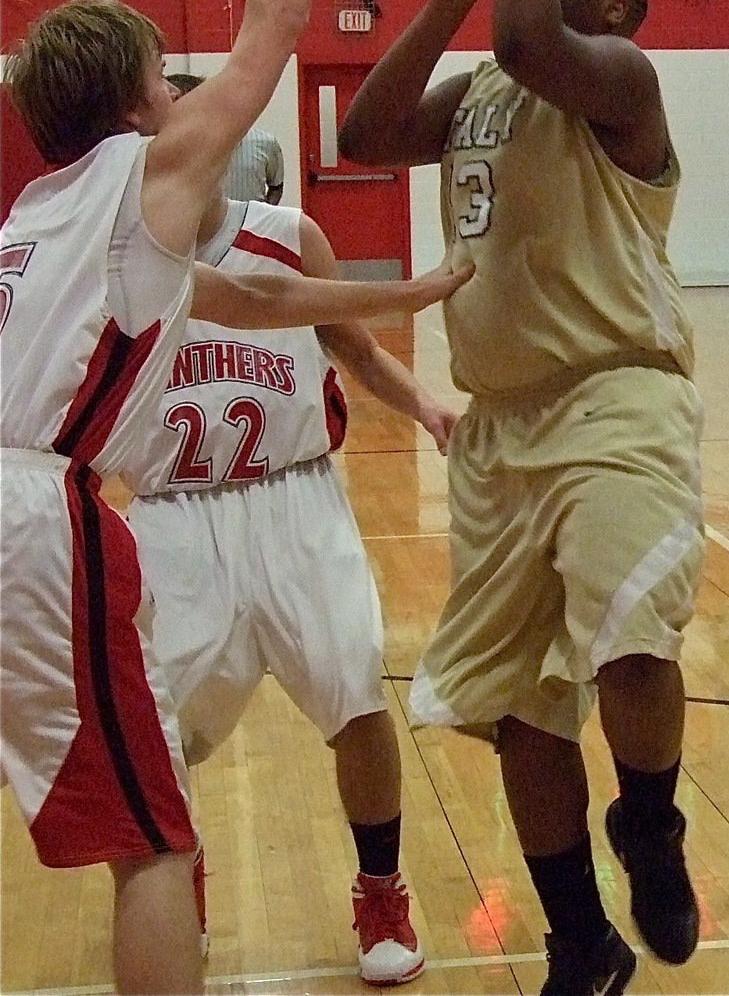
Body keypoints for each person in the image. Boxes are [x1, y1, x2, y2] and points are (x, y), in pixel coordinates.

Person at [0, 0, 469, 993]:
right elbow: (274, 17)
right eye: (167, 74)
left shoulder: (38, 217)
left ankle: (369, 888)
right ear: (134, 101)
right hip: (70, 516)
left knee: (153, 795)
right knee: (153, 831)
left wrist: (407, 291)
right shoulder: (138, 176)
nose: (184, 88)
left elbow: (251, 303)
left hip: (209, 502)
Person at [338, 0, 704, 994]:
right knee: (516, 709)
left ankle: (647, 823)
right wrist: (438, 1)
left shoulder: (616, 78)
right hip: (496, 432)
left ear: (606, 8)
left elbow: (524, 41)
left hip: (614, 402)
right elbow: (369, 128)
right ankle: (578, 943)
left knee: (629, 643)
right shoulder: (487, 94)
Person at [120, 178, 458, 985]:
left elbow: (356, 348)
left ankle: (381, 891)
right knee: (159, 733)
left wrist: (427, 408)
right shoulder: (116, 255)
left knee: (356, 693)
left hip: (295, 499)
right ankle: (175, 884)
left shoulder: (285, 234)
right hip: (171, 515)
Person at [168, 74, 284, 205]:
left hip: (250, 223)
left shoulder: (266, 143)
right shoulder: (183, 146)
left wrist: (261, 217)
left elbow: (276, 187)